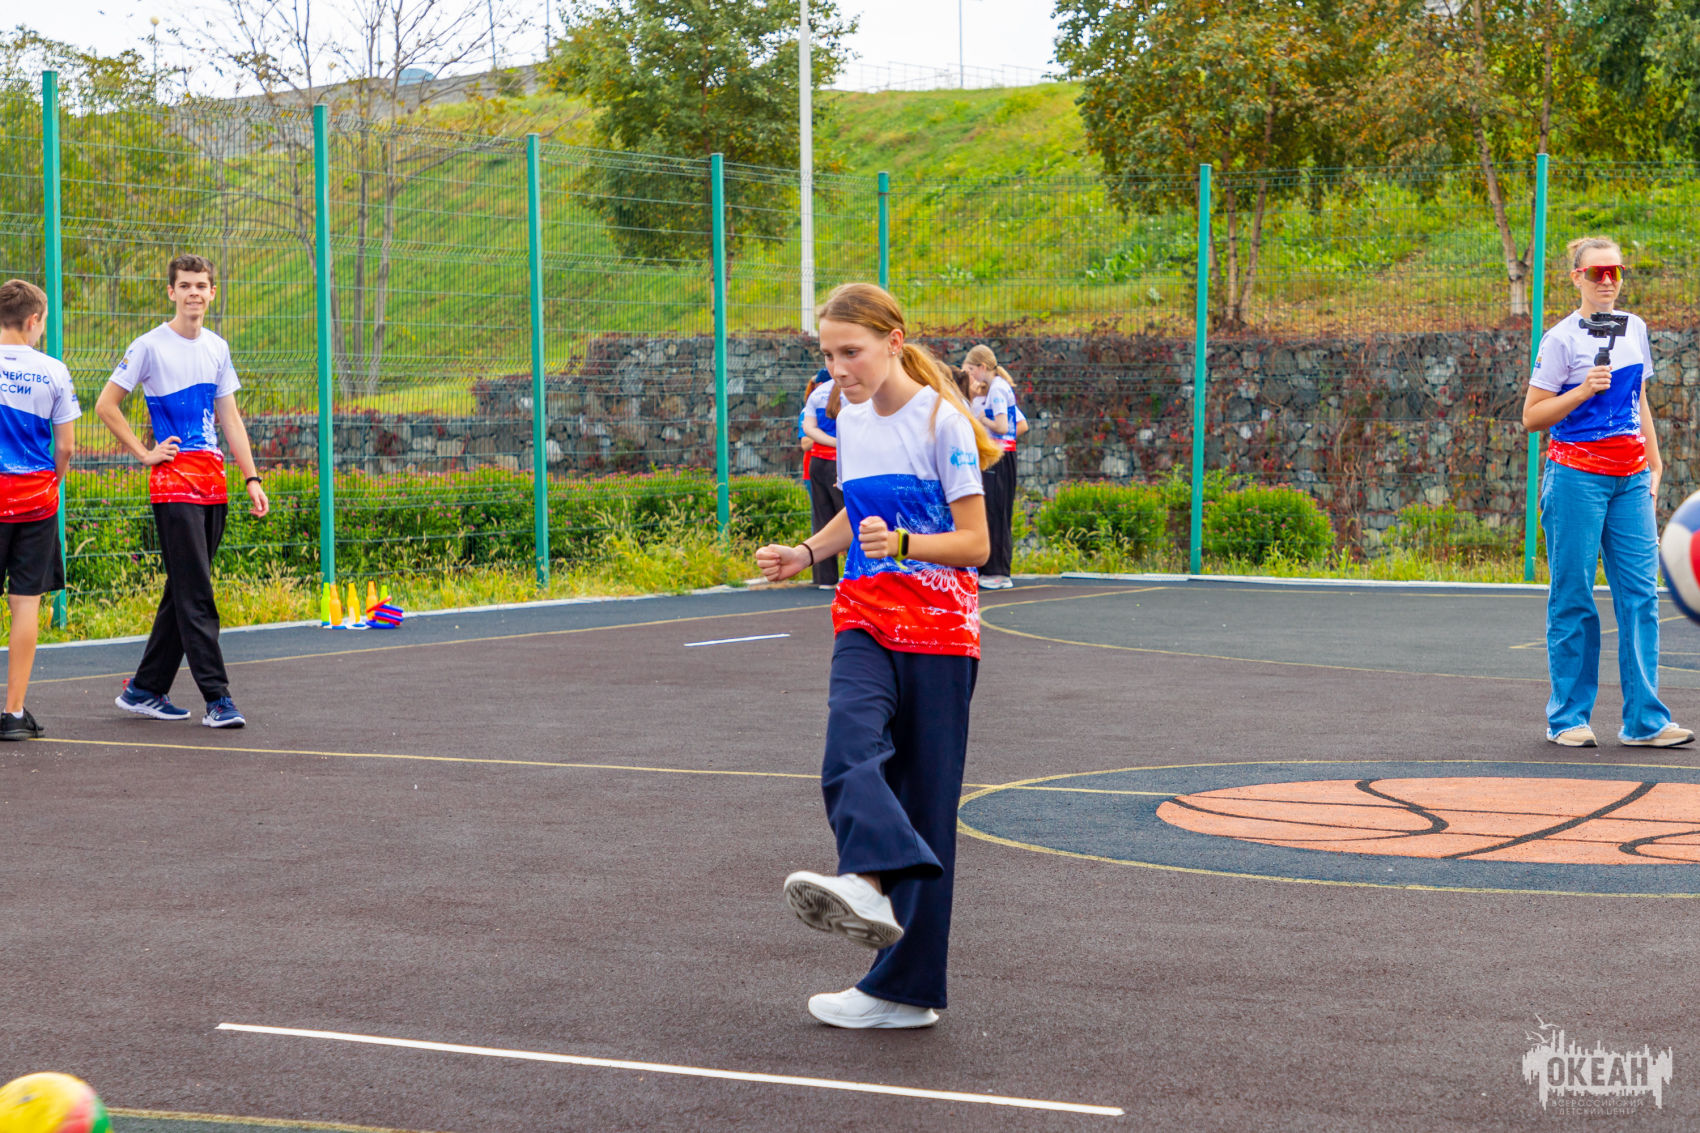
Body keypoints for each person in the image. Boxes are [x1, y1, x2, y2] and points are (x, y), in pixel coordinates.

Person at [756, 282, 1001, 1029]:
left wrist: (903, 542)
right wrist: (807, 551)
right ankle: (864, 879)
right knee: (848, 748)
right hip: (863, 617)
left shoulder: (942, 422)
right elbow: (855, 513)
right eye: (828, 354)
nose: (838, 369)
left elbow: (976, 545)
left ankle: (906, 993)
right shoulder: (845, 414)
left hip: (939, 633)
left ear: (894, 342)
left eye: (851, 352)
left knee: (926, 807)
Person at [1523, 236, 1691, 749]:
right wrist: (1582, 389)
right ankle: (1567, 718)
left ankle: (1645, 721)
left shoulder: (1635, 328)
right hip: (1576, 477)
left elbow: (1639, 399)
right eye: (1597, 273)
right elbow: (1532, 417)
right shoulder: (1560, 340)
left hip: (1631, 479)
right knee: (1573, 595)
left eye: (1615, 272)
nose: (1607, 281)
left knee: (1641, 596)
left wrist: (1654, 464)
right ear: (1577, 278)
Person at [97, 253, 269, 729]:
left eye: (202, 285)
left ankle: (145, 688)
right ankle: (218, 699)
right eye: (186, 285)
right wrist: (144, 452)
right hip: (173, 486)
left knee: (184, 589)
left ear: (212, 293)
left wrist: (252, 477)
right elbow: (107, 404)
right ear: (171, 292)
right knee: (197, 593)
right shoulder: (149, 346)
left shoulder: (217, 347)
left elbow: (230, 418)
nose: (194, 292)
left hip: (214, 484)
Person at [0, 279, 79, 741]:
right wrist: (53, 483)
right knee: (25, 602)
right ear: (33, 321)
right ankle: (13, 713)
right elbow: (65, 446)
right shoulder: (53, 370)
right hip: (34, 499)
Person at [963, 344, 1019, 589]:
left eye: (971, 370)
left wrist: (982, 419)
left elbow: (1002, 426)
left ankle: (997, 571)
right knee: (993, 511)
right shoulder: (997, 387)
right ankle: (992, 568)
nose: (971, 376)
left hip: (1000, 455)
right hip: (1000, 455)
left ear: (982, 367)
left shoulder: (996, 389)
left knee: (996, 512)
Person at [800, 366, 844, 588]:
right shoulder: (850, 391)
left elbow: (808, 429)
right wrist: (840, 443)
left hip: (817, 461)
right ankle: (859, 574)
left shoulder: (816, 394)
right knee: (851, 517)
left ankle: (824, 578)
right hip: (841, 461)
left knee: (822, 519)